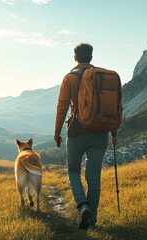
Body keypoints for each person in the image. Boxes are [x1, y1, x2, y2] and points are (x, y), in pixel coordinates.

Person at [53, 43, 118, 229]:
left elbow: (62, 107)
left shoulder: (69, 78)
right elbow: (112, 107)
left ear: (75, 57)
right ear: (91, 57)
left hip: (77, 131)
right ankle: (92, 221)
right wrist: (114, 132)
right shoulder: (102, 77)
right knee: (94, 177)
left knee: (73, 170)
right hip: (100, 132)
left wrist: (57, 133)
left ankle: (82, 205)